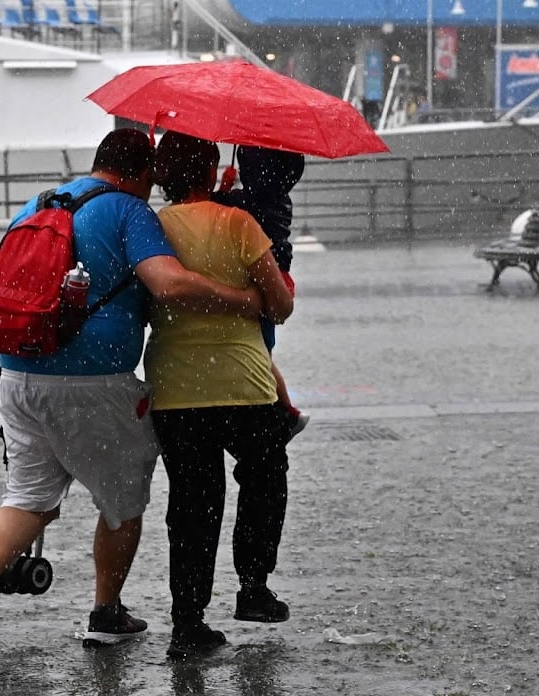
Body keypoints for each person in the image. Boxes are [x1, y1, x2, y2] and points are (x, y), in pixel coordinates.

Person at [0, 128, 263, 660]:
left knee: (28, 497)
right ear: (143, 173)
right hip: (92, 382)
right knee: (122, 501)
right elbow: (168, 284)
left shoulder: (42, 202)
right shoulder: (127, 210)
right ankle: (106, 610)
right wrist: (239, 298)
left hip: (18, 375)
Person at [144, 131, 295, 659]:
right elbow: (278, 307)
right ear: (211, 170)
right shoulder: (239, 222)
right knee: (264, 477)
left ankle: (188, 621)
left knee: (192, 505)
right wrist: (249, 298)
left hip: (176, 389)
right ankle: (253, 585)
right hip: (244, 384)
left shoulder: (152, 229)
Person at [212, 145, 309, 438]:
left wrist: (223, 188)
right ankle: (286, 411)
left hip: (264, 282)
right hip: (279, 279)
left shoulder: (248, 202)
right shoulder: (279, 200)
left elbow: (217, 205)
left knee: (262, 355)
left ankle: (286, 413)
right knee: (265, 352)